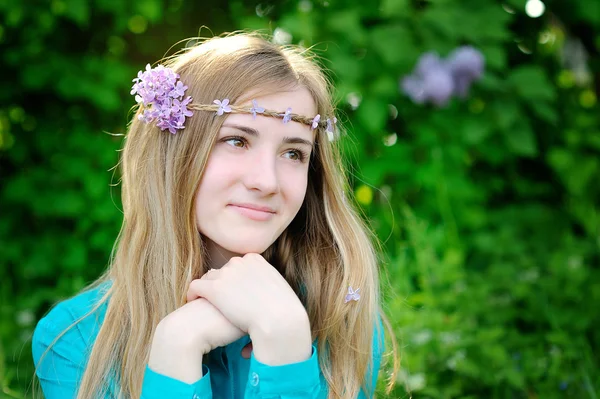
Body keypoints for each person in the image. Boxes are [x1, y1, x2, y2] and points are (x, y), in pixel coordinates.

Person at [32, 32, 399, 398]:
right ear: (173, 157)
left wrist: (287, 347)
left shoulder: (343, 319)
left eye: (293, 153)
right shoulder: (76, 340)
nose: (266, 181)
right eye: (237, 141)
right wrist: (176, 348)